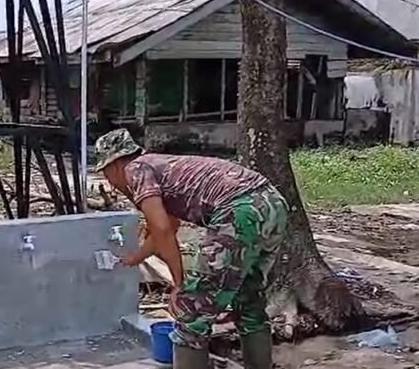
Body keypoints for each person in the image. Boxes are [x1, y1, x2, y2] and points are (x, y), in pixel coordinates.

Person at [94, 129, 289, 369]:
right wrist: (136, 257)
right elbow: (168, 226)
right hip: (271, 204)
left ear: (114, 164)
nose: (110, 182)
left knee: (191, 312)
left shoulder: (135, 169)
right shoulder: (160, 165)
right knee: (249, 300)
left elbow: (162, 229)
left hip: (239, 211)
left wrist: (179, 285)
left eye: (105, 173)